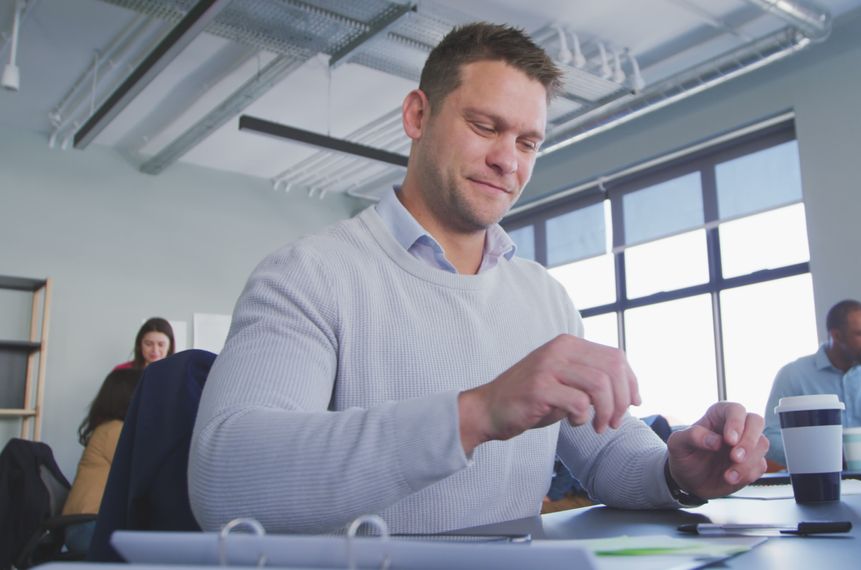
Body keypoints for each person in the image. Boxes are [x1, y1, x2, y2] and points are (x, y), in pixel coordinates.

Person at [189, 22, 768, 535]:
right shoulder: (309, 275)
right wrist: (478, 413)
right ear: (418, 115)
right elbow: (225, 480)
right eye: (485, 126)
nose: (508, 161)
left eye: (527, 141)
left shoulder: (544, 296)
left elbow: (608, 453)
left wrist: (675, 470)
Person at [763, 299, 861, 465]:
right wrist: (820, 458)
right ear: (836, 336)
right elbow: (771, 438)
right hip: (815, 475)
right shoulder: (793, 375)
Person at [62, 368, 141, 553]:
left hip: (89, 524)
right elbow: (142, 472)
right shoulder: (113, 431)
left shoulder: (109, 428)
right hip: (87, 526)